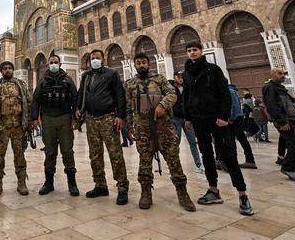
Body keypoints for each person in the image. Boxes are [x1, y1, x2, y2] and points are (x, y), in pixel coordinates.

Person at [183, 42, 253, 216]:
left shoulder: (213, 70)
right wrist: (187, 117)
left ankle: (242, 194)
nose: (192, 53)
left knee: (228, 155)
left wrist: (223, 117)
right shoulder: (187, 73)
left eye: (195, 50)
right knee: (206, 155)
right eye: (189, 51)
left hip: (216, 120)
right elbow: (187, 96)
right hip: (198, 120)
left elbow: (224, 94)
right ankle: (213, 190)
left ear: (201, 51)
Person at [125, 54, 195, 211]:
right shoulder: (130, 84)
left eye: (144, 62)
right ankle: (145, 193)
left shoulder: (160, 79)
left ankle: (182, 193)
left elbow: (172, 94)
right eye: (138, 63)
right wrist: (130, 127)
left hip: (163, 126)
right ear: (135, 65)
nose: (141, 65)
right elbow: (128, 107)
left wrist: (162, 105)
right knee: (144, 161)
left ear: (149, 64)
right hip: (143, 129)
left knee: (173, 160)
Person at [76, 48, 129, 205]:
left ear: (103, 59)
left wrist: (120, 116)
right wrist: (79, 109)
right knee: (95, 155)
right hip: (91, 120)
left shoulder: (111, 74)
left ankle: (122, 188)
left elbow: (120, 95)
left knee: (115, 154)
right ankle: (100, 185)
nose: (95, 60)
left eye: (97, 58)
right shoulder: (86, 76)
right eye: (93, 58)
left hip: (108, 118)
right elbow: (81, 94)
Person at [31, 55, 79, 196]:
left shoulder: (67, 80)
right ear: (48, 64)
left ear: (60, 63)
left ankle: (72, 183)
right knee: (50, 152)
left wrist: (76, 118)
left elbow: (75, 99)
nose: (53, 64)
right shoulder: (42, 81)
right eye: (51, 62)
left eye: (55, 62)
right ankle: (49, 182)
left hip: (64, 118)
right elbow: (35, 100)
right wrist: (34, 118)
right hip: (48, 119)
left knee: (67, 151)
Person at [0, 61, 31, 196]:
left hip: (18, 126)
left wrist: (29, 122)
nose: (7, 70)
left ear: (13, 70)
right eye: (5, 68)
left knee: (20, 156)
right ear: (1, 71)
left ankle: (21, 183)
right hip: (1, 127)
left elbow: (28, 102)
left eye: (10, 68)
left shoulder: (20, 84)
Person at [263, 68, 295, 182]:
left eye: (283, 74)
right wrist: (282, 121)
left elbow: (291, 100)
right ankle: (287, 167)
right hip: (284, 120)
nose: (283, 76)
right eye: (279, 73)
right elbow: (271, 106)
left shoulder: (280, 87)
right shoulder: (269, 87)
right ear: (272, 75)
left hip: (291, 119)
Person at [169, 71, 203, 173]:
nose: (180, 79)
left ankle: (198, 164)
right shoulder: (170, 88)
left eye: (181, 77)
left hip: (187, 119)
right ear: (174, 77)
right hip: (175, 119)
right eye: (178, 77)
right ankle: (175, 165)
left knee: (192, 142)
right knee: (176, 142)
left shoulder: (187, 87)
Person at [226, 84, 257, 169]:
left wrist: (231, 118)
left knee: (231, 140)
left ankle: (233, 163)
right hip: (238, 117)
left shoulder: (230, 91)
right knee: (242, 139)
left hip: (234, 119)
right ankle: (250, 160)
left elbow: (233, 106)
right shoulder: (233, 91)